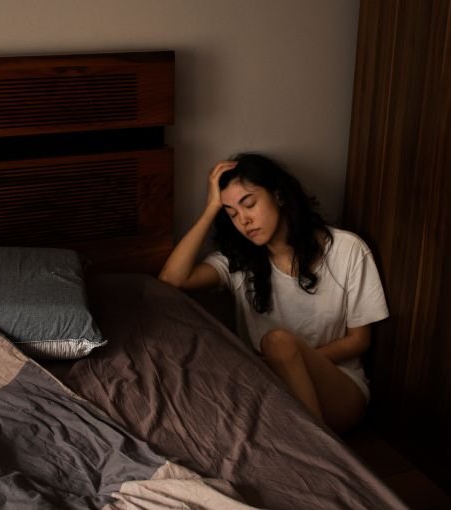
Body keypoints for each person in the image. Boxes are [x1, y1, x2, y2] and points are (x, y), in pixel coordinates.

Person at [158, 153, 389, 434]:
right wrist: (211, 207)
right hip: (272, 394)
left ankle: (316, 446)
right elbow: (171, 280)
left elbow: (359, 340)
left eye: (250, 204)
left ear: (278, 196)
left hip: (340, 389)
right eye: (231, 213)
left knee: (278, 342)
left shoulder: (347, 249)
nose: (244, 220)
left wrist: (290, 365)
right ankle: (314, 443)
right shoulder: (239, 262)